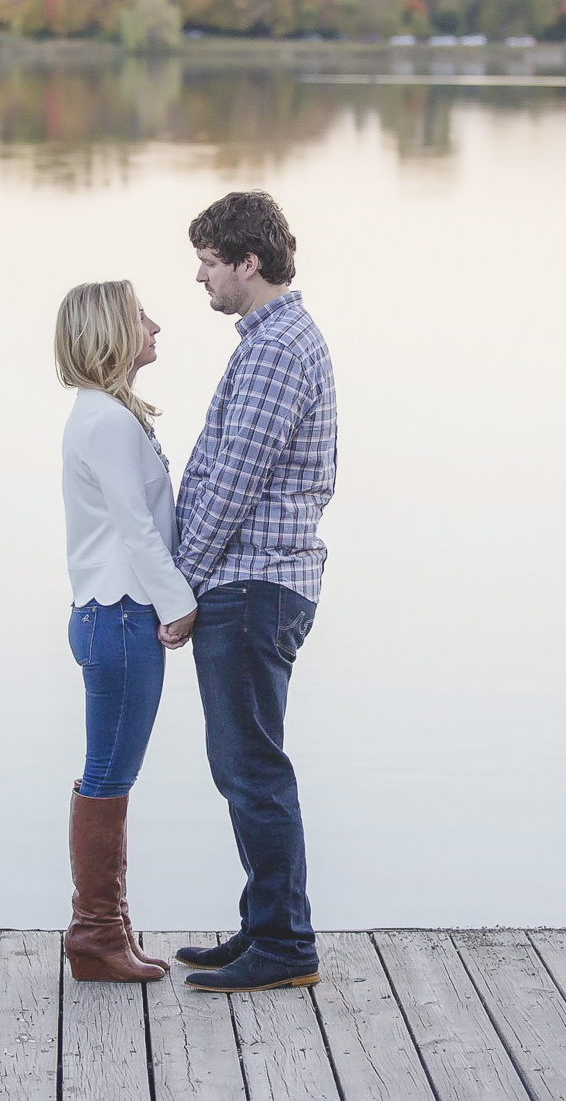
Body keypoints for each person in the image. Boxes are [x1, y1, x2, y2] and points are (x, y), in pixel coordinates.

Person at [159, 191, 338, 993]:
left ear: (247, 261)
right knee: (246, 762)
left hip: (251, 584)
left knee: (251, 766)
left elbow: (235, 478)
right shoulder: (275, 338)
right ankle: (266, 925)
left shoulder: (275, 349)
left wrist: (180, 586)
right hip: (258, 582)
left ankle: (286, 945)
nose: (200, 278)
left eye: (207, 260)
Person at [54, 280, 198, 982]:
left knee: (110, 773)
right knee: (110, 775)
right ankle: (95, 935)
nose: (156, 325)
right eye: (142, 315)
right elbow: (137, 530)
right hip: (120, 613)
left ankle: (105, 930)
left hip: (110, 613)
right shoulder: (105, 423)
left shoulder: (105, 414)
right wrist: (179, 603)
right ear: (112, 329)